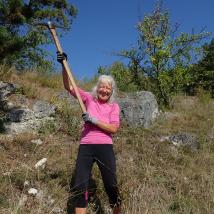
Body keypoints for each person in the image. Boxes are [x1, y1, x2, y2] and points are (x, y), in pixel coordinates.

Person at [57, 52, 121, 214]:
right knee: (80, 185)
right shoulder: (88, 98)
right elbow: (69, 86)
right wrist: (63, 65)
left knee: (111, 184)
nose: (104, 90)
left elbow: (113, 128)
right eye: (102, 86)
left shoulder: (113, 107)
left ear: (111, 91)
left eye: (108, 88)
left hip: (104, 147)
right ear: (97, 88)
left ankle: (117, 211)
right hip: (86, 146)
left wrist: (93, 120)